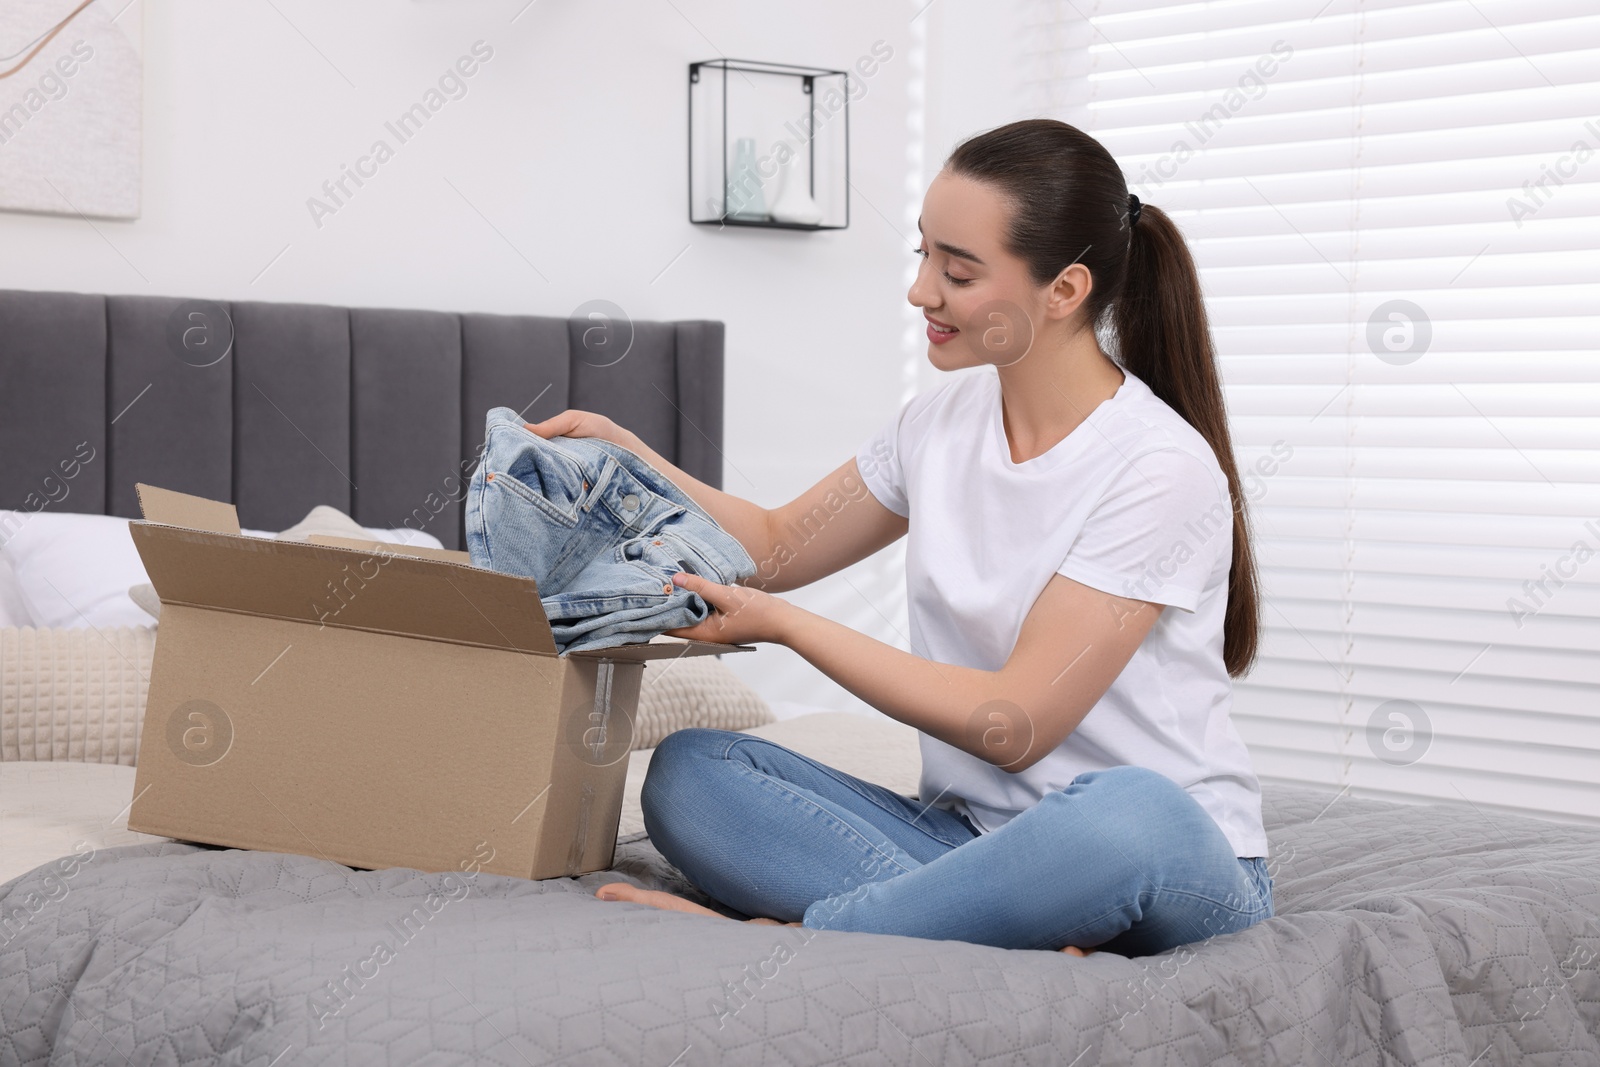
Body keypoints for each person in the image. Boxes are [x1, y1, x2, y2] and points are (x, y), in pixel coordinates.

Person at [530, 118, 1273, 957]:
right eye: (924, 256)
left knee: (1129, 811)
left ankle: (825, 936)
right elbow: (776, 545)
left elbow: (1014, 722)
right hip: (967, 843)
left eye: (957, 270)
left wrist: (786, 626)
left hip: (1162, 863)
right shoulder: (939, 424)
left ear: (1064, 290)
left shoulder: (1158, 466)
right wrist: (629, 459)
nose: (922, 291)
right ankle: (979, 921)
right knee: (692, 775)